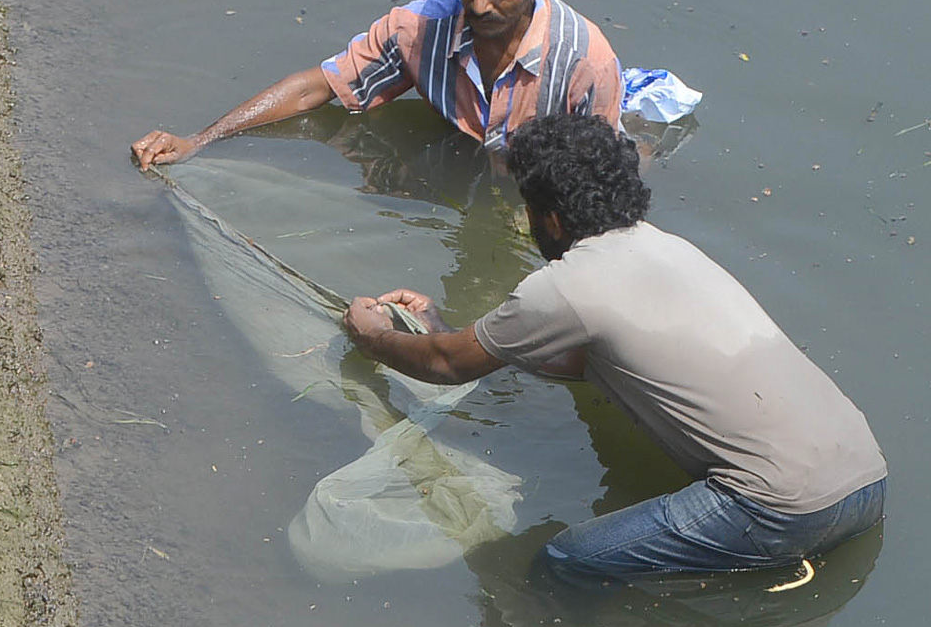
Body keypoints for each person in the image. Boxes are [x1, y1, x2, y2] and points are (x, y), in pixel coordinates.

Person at [343, 113, 887, 577]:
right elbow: (581, 360)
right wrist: (446, 329)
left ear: (551, 218)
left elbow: (445, 366)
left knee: (562, 558)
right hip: (866, 481)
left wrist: (372, 336)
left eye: (529, 209)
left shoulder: (565, 284)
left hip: (781, 511)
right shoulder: (669, 249)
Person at [132, 0, 624, 169]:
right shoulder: (420, 28)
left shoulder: (584, 63)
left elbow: (606, 176)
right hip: (460, 155)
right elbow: (316, 87)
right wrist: (200, 140)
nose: (478, 5)